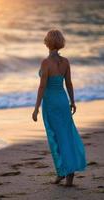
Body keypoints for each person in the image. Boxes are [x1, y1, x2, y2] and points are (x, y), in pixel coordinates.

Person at [32, 29, 87, 187]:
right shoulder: (65, 62)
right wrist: (73, 101)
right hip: (62, 101)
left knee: (55, 138)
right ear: (61, 42)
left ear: (47, 43)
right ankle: (67, 175)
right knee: (66, 136)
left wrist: (36, 108)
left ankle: (61, 172)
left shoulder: (45, 62)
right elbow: (68, 83)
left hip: (50, 104)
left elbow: (42, 87)